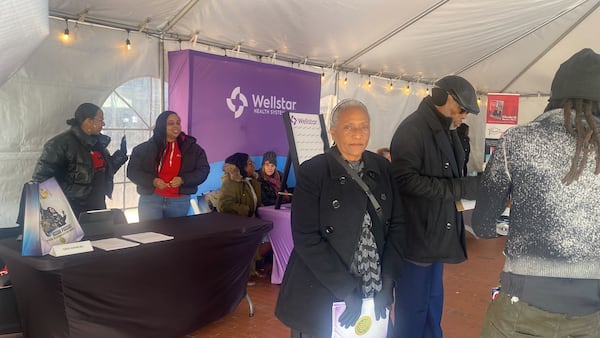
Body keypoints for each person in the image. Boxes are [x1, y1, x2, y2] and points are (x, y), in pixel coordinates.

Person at [471, 48, 600, 337]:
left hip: (522, 305)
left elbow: (482, 225)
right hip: (592, 311)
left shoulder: (516, 141)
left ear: (555, 96)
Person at [275, 99, 405, 337]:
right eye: (349, 127)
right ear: (333, 131)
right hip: (322, 290)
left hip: (372, 289)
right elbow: (306, 238)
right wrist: (345, 289)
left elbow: (397, 225)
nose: (358, 134)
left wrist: (388, 279)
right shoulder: (314, 172)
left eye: (363, 126)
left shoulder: (382, 167)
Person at [389, 75, 480, 338]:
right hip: (417, 238)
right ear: (442, 98)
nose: (463, 115)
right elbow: (405, 181)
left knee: (431, 308)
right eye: (461, 109)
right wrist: (460, 188)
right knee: (412, 313)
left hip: (436, 237)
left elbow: (450, 176)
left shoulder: (448, 130)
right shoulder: (412, 129)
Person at [32, 103, 128, 217]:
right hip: (72, 208)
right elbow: (41, 179)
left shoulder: (97, 143)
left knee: (100, 234)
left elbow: (102, 171)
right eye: (100, 120)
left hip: (97, 204)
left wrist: (120, 156)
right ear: (88, 121)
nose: (103, 124)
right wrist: (72, 192)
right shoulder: (60, 144)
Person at [127, 110, 210, 221]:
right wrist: (153, 181)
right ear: (162, 125)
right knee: (149, 236)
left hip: (179, 201)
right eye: (171, 123)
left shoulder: (193, 149)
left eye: (178, 123)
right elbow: (132, 171)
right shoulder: (143, 149)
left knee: (176, 236)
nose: (176, 126)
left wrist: (183, 180)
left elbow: (203, 170)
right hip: (151, 200)